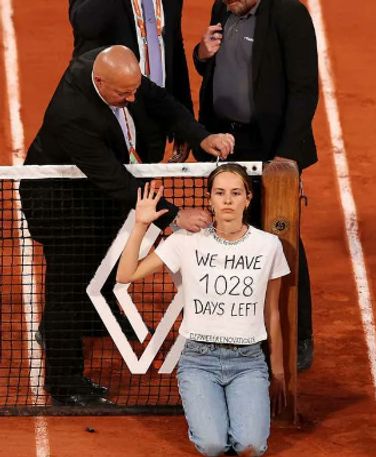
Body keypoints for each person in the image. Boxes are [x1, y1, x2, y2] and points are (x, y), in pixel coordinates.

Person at [21, 45, 234, 406]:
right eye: (124, 94)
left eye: (133, 89)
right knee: (68, 287)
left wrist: (199, 136)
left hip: (90, 193)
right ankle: (65, 381)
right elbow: (113, 178)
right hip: (58, 202)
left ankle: (95, 319)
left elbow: (158, 99)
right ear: (100, 82)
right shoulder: (72, 114)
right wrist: (172, 215)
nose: (133, 98)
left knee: (104, 253)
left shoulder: (113, 74)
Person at [117, 163, 287, 457]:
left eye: (236, 193)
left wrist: (279, 371)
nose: (228, 200)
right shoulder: (185, 242)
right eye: (220, 193)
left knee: (252, 447)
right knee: (212, 445)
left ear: (248, 198)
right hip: (199, 361)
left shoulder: (268, 246)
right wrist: (141, 225)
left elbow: (272, 313)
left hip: (248, 362)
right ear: (209, 199)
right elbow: (126, 274)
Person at [193, 0, 318, 369]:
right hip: (225, 143)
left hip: (270, 149)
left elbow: (304, 89)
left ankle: (298, 335)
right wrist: (202, 54)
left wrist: (286, 156)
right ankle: (236, 326)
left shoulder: (288, 15)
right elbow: (215, 68)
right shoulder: (224, 7)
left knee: (279, 235)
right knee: (228, 228)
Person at [68, 0, 194, 162]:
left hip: (155, 114)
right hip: (110, 116)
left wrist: (183, 121)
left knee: (143, 184)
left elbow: (174, 47)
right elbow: (85, 24)